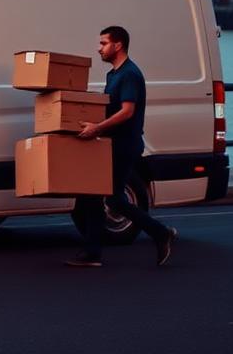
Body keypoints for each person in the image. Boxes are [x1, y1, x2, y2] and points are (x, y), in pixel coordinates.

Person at [65, 25, 177, 267]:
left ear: (118, 45)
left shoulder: (129, 74)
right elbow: (113, 107)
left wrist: (97, 128)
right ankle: (93, 252)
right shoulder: (113, 75)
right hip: (111, 143)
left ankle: (160, 233)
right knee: (92, 197)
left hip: (124, 145)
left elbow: (127, 112)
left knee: (111, 200)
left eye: (103, 43)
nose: (99, 48)